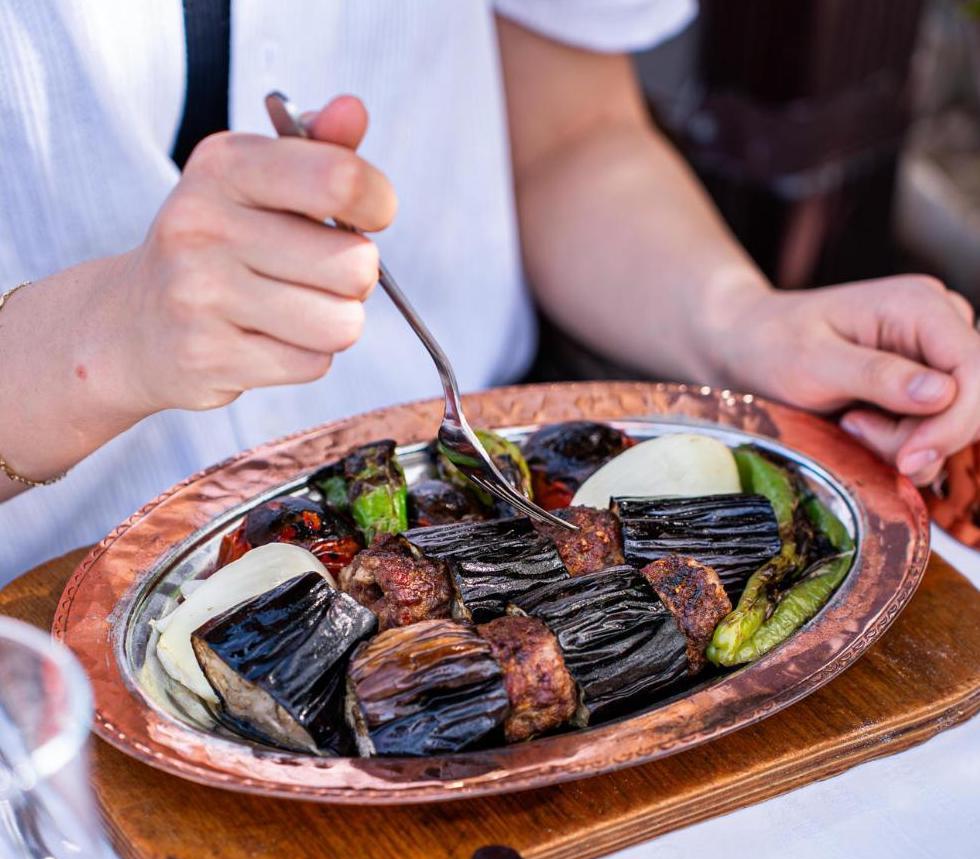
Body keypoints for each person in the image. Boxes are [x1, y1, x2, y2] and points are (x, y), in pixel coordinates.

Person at [1, 1, 977, 585]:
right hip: (42, 635)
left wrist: (738, 321)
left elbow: (566, 135)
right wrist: (106, 342)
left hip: (484, 491)